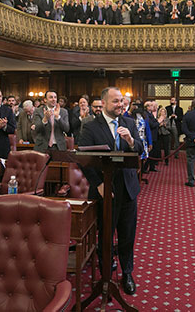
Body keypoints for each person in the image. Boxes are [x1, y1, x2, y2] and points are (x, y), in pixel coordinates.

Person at [78, 87, 143, 296]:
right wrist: (98, 184)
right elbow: (84, 160)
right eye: (116, 101)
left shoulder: (129, 123)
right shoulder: (90, 127)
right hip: (104, 189)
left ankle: (128, 273)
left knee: (127, 234)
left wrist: (131, 142)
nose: (120, 105)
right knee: (105, 233)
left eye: (122, 101)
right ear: (104, 103)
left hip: (127, 188)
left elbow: (140, 149)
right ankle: (105, 273)